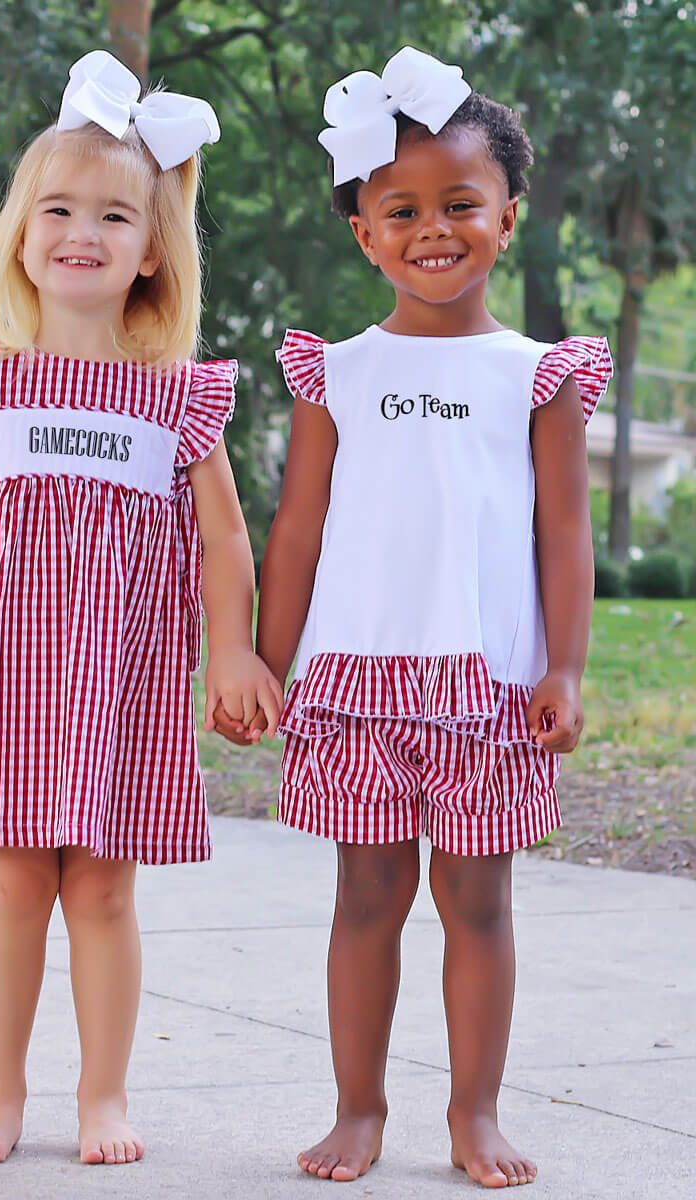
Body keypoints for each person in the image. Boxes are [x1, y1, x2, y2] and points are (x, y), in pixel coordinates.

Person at [0, 50, 283, 1167]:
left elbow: (222, 532)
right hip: (8, 674)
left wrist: (233, 652)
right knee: (15, 885)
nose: (83, 231)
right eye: (58, 209)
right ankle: (0, 1094)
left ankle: (103, 1098)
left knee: (105, 889)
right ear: (21, 235)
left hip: (124, 678)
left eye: (116, 215)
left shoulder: (176, 393)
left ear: (154, 250)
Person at [252, 46, 612, 1189]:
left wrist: (565, 669)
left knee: (478, 902)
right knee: (365, 897)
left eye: (461, 203)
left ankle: (476, 1113)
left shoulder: (539, 375)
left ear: (509, 211)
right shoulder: (336, 373)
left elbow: (564, 533)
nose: (433, 229)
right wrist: (266, 665)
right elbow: (297, 532)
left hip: (488, 683)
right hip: (354, 677)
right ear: (365, 233)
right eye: (400, 210)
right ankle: (358, 1109)